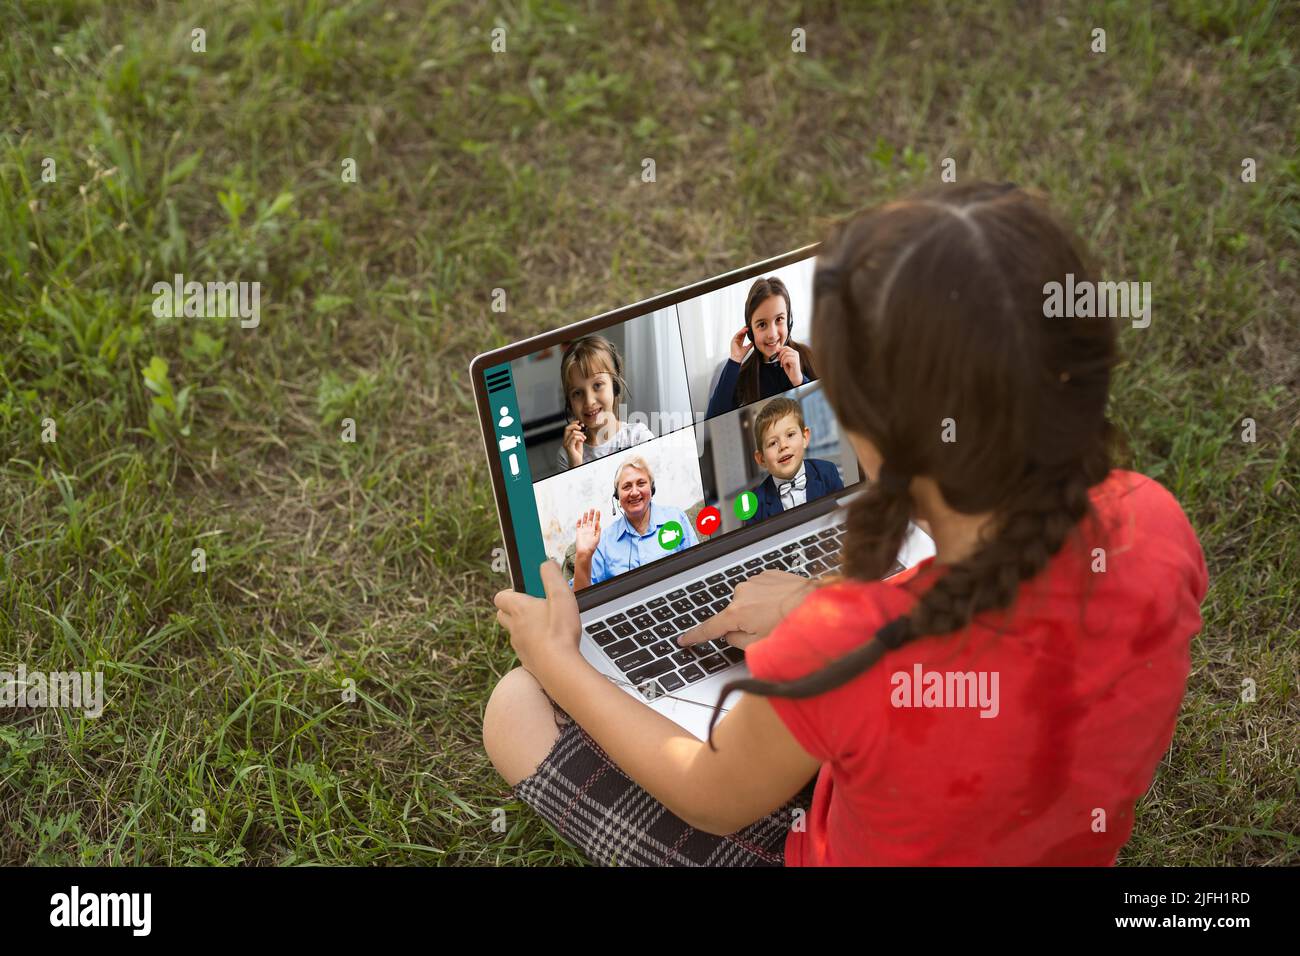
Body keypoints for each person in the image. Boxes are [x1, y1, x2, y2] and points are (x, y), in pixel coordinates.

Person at [485, 182, 1207, 866]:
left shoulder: (847, 652)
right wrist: (811, 604)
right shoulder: (1153, 521)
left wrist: (560, 664)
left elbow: (709, 795)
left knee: (517, 704)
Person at [570, 456, 697, 592]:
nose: (635, 492)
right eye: (627, 486)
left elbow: (698, 566)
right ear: (617, 496)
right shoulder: (603, 542)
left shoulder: (676, 518)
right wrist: (583, 556)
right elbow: (581, 599)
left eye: (641, 483)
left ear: (652, 489)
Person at [704, 276, 817, 418]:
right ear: (750, 331)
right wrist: (734, 361)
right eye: (762, 324)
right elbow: (713, 419)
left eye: (779, 319)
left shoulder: (809, 356)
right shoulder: (743, 376)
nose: (772, 334)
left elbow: (826, 412)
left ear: (789, 320)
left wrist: (800, 381)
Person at [556, 334, 653, 471]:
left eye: (597, 385)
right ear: (569, 401)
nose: (589, 402)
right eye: (577, 393)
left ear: (614, 385)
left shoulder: (638, 437)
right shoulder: (567, 456)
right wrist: (576, 467)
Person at [744, 396, 844, 526]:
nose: (783, 446)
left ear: (805, 437)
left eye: (790, 435)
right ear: (761, 459)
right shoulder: (755, 504)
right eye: (773, 443)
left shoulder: (827, 472)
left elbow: (843, 516)